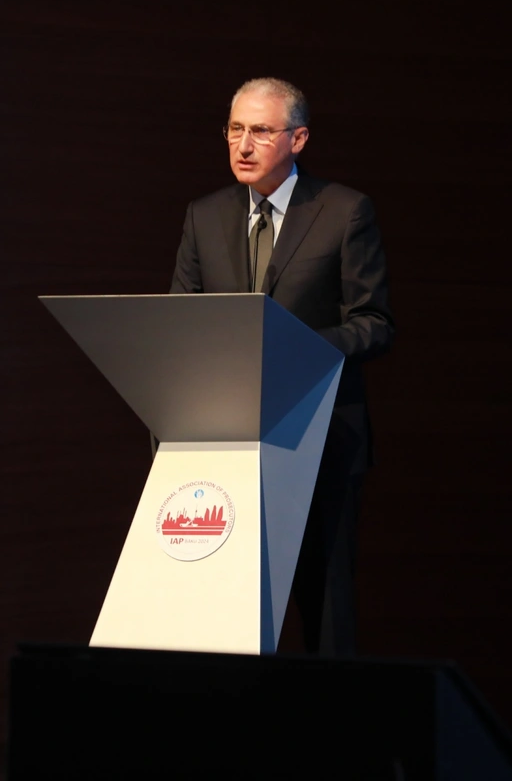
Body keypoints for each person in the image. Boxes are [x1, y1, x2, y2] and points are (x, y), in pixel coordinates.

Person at [169, 78, 394, 655]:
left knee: (325, 604)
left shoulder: (344, 211)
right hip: (227, 440)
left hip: (319, 436)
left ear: (298, 138)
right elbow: (180, 326)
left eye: (262, 131)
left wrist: (292, 349)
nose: (244, 145)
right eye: (235, 130)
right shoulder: (204, 216)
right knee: (226, 610)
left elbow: (373, 323)